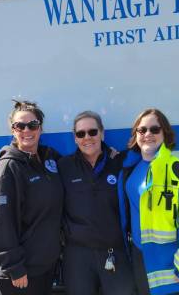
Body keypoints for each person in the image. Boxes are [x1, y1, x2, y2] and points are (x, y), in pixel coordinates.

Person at [118, 109, 179, 295]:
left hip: (173, 267)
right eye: (141, 130)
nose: (147, 135)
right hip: (142, 259)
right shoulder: (129, 170)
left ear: (165, 133)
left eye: (154, 129)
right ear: (135, 134)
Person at [0, 100, 63, 295]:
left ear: (40, 128)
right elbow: (1, 223)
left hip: (43, 266)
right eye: (20, 126)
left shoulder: (48, 158)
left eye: (32, 125)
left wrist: (108, 153)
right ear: (13, 130)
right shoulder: (8, 169)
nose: (26, 130)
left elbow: (79, 163)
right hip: (20, 272)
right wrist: (14, 267)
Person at [58, 110, 135, 295]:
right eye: (80, 133)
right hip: (77, 257)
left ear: (102, 133)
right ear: (75, 138)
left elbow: (146, 152)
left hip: (114, 252)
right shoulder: (63, 166)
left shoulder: (120, 163)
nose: (87, 137)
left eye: (92, 132)